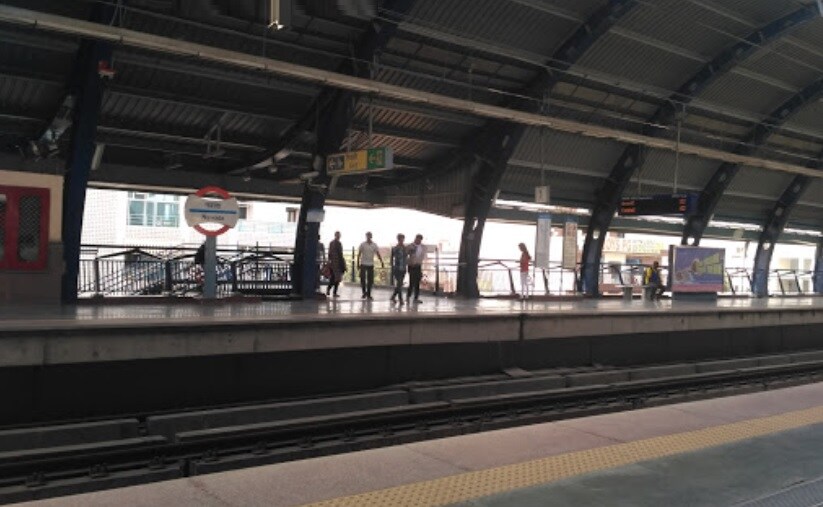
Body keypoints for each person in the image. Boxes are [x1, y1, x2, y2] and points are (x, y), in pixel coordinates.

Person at [356, 231, 383, 300]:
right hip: (363, 263)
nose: (368, 237)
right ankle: (364, 292)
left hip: (370, 264)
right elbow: (359, 254)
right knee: (363, 279)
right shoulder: (362, 244)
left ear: (371, 236)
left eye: (369, 236)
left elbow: (377, 253)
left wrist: (381, 261)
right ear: (366, 236)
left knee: (370, 280)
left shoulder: (374, 245)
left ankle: (369, 294)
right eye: (367, 236)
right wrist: (358, 263)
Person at [406, 234, 425, 304]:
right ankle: (408, 296)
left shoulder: (423, 247)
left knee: (417, 282)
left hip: (418, 265)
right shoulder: (410, 246)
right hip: (411, 266)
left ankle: (416, 298)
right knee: (412, 282)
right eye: (417, 239)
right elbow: (405, 254)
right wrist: (409, 262)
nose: (418, 240)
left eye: (419, 239)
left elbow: (423, 256)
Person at [326, 231, 346, 298]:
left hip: (332, 263)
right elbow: (340, 254)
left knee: (333, 277)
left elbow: (329, 253)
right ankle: (334, 292)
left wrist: (329, 261)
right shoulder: (338, 243)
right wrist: (343, 263)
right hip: (337, 263)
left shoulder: (331, 243)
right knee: (337, 278)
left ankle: (329, 290)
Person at [390, 234, 408, 304]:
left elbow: (407, 256)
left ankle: (393, 296)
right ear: (398, 239)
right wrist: (392, 267)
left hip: (403, 268)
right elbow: (391, 258)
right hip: (397, 268)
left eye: (403, 239)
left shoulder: (405, 248)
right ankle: (400, 299)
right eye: (400, 239)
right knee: (399, 283)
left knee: (399, 284)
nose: (402, 240)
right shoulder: (395, 248)